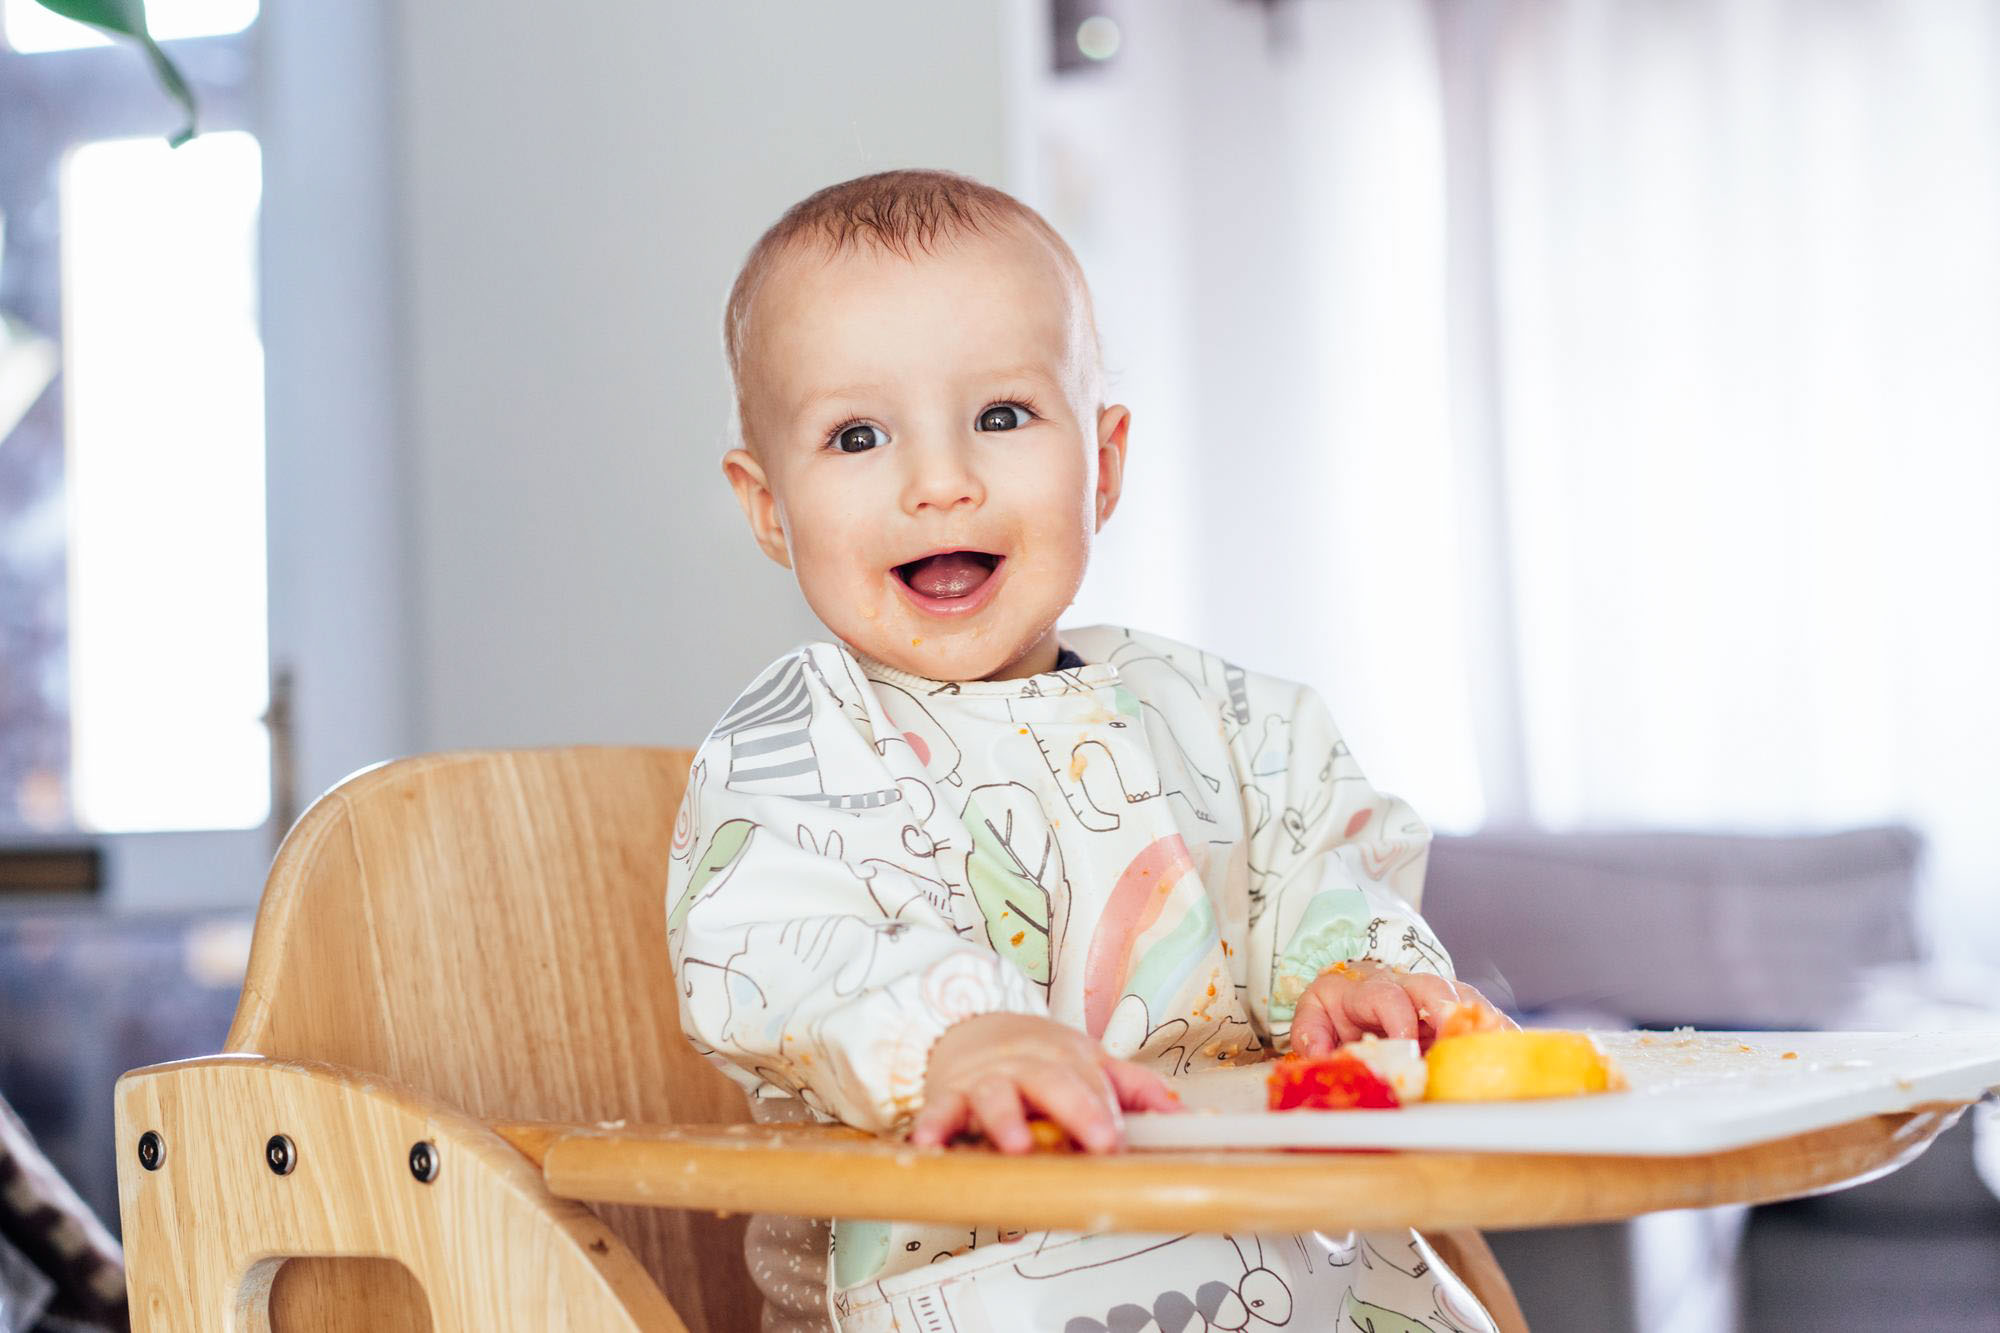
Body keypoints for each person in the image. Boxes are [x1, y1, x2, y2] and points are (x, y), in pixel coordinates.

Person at [667, 167, 1505, 1333]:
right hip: (951, 1283)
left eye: (1001, 416)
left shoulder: (1231, 721)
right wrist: (957, 1034)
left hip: (1293, 1266)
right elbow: (779, 953)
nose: (940, 480)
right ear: (768, 508)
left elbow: (1323, 874)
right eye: (857, 435)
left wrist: (1354, 979)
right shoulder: (792, 754)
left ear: (1100, 462)